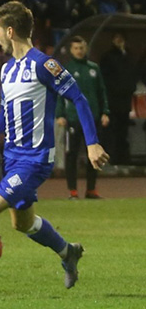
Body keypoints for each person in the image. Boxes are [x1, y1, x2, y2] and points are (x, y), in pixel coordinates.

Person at [0, 3, 110, 289]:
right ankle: (69, 251)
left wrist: (92, 143)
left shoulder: (44, 65)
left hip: (35, 160)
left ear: (10, 31)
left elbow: (78, 98)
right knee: (23, 224)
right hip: (13, 159)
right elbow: (6, 118)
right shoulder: (6, 70)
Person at [56, 36, 110, 199]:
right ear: (71, 50)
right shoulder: (67, 69)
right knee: (71, 154)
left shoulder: (94, 68)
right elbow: (59, 94)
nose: (79, 51)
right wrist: (60, 114)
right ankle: (72, 191)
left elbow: (102, 92)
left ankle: (91, 189)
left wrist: (105, 111)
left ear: (86, 48)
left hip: (93, 117)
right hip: (73, 117)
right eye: (76, 48)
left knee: (94, 154)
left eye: (82, 48)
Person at [99, 32, 138, 165]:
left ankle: (123, 159)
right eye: (116, 38)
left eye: (121, 38)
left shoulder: (129, 56)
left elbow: (134, 75)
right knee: (112, 131)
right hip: (112, 100)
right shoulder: (107, 57)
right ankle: (112, 159)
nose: (119, 40)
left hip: (125, 100)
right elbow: (105, 78)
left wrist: (131, 88)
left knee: (123, 131)